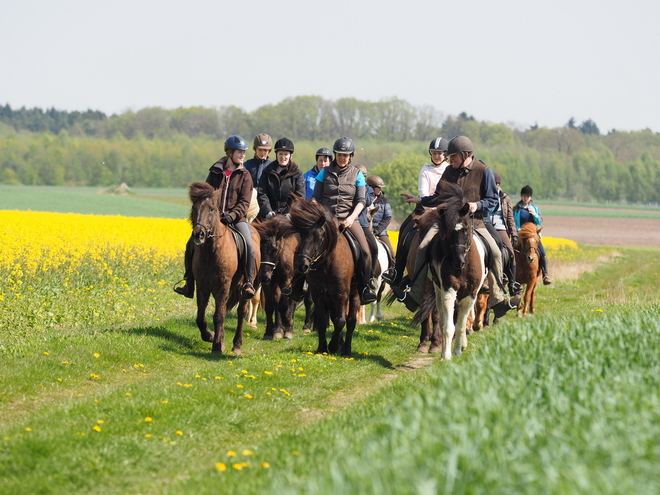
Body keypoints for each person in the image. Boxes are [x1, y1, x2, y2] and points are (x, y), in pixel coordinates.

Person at [394, 136, 518, 315]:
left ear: (465, 154)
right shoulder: (449, 172)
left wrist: (477, 205)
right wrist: (421, 199)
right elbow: (439, 196)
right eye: (450, 157)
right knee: (422, 246)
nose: (450, 160)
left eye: (453, 157)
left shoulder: (484, 171)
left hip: (475, 222)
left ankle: (498, 299)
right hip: (447, 222)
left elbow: (492, 200)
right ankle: (415, 294)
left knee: (497, 251)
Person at [174, 135, 257, 298]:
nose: (242, 156)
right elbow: (204, 196)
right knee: (191, 243)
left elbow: (244, 202)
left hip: (236, 219)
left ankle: (248, 282)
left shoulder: (245, 175)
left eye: (244, 153)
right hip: (213, 220)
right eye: (239, 152)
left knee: (249, 244)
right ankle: (189, 283)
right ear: (229, 152)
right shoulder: (215, 171)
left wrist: (232, 216)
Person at [311, 137, 377, 304]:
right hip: (327, 218)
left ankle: (365, 287)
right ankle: (297, 284)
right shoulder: (323, 173)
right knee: (307, 244)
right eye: (339, 155)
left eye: (345, 155)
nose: (342, 158)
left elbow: (361, 201)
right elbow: (315, 198)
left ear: (351, 156)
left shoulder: (358, 175)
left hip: (349, 218)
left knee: (366, 251)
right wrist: (321, 215)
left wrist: (351, 218)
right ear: (335, 155)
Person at [383, 137, 449, 285]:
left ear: (446, 154)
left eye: (439, 153)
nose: (436, 156)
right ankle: (397, 271)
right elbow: (424, 194)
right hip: (425, 209)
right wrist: (433, 209)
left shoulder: (449, 170)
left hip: (446, 210)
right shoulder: (425, 170)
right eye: (434, 153)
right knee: (405, 229)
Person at [257, 137, 305, 219]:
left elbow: (299, 198)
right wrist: (268, 211)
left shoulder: (297, 174)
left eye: (285, 154)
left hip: (290, 216)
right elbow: (262, 194)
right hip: (269, 215)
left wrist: (291, 213)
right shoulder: (267, 172)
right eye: (280, 154)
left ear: (290, 156)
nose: (283, 157)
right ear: (276, 155)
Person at [491, 173, 522, 296]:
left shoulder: (505, 198)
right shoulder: (483, 195)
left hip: (500, 227)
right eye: (492, 184)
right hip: (486, 226)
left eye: (497, 184)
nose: (495, 186)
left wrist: (514, 234)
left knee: (511, 253)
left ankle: (512, 283)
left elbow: (510, 217)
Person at [513, 185, 552, 285]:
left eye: (528, 197)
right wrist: (518, 232)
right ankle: (507, 275)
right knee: (510, 253)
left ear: (530, 197)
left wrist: (534, 214)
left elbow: (540, 221)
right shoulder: (516, 209)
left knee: (542, 253)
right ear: (521, 196)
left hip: (533, 237)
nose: (526, 198)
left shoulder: (535, 208)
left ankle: (546, 275)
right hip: (520, 236)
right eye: (524, 196)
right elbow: (512, 222)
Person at [367, 175, 395, 269]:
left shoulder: (384, 200)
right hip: (366, 230)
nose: (379, 189)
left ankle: (392, 274)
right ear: (371, 187)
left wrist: (377, 230)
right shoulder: (364, 200)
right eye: (377, 187)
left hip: (380, 232)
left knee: (391, 253)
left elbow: (388, 217)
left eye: (380, 188)